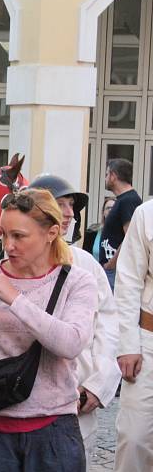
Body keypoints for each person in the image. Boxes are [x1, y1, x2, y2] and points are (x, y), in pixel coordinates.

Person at [0, 188, 98, 471]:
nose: (7, 245)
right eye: (3, 234)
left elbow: (71, 343)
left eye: (19, 236)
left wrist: (15, 299)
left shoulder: (78, 281)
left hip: (53, 432)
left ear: (51, 233)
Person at [28, 174, 121, 463]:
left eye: (71, 206)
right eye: (61, 204)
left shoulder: (85, 265)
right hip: (24, 403)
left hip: (77, 398)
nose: (69, 213)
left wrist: (99, 384)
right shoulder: (13, 264)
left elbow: (108, 325)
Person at [113, 199, 153, 472]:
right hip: (148, 338)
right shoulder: (147, 214)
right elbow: (127, 280)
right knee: (134, 436)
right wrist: (127, 344)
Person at [99, 158, 142, 289]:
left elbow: (130, 238)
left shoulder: (129, 200)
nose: (105, 178)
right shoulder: (123, 200)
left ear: (113, 176)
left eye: (107, 174)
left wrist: (111, 264)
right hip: (112, 271)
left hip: (115, 272)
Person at [84, 197, 116, 261]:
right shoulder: (92, 231)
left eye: (113, 208)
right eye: (108, 208)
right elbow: (85, 256)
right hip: (93, 270)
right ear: (103, 212)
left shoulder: (124, 234)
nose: (110, 210)